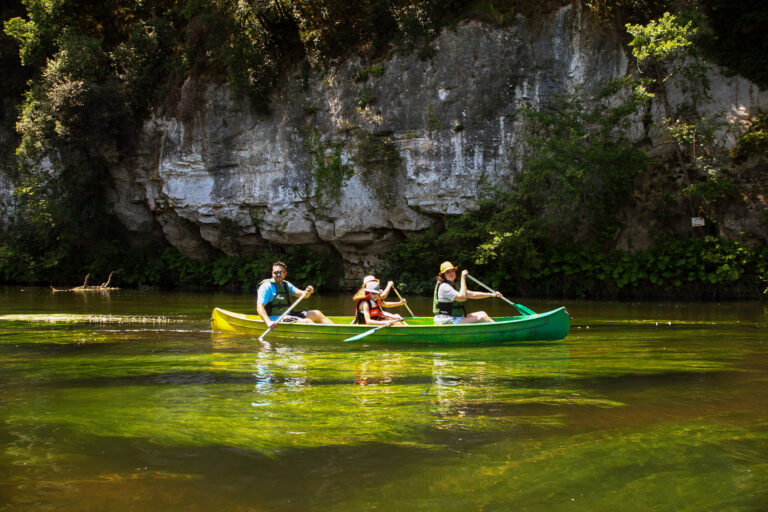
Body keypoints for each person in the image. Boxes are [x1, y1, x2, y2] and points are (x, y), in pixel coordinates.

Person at [256, 261, 334, 329]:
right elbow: (259, 307)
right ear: (272, 273)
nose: (278, 274)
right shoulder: (266, 287)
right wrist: (268, 322)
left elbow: (304, 295)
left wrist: (309, 291)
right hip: (274, 318)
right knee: (307, 321)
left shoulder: (286, 284)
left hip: (288, 315)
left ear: (285, 274)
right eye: (276, 272)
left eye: (281, 272)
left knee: (316, 313)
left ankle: (336, 329)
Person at [433, 261, 501, 325]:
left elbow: (473, 294)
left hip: (454, 317)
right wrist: (463, 277)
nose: (451, 273)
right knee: (482, 317)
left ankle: (497, 328)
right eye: (448, 272)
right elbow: (462, 298)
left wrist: (491, 294)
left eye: (453, 271)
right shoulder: (444, 287)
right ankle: (500, 330)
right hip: (446, 320)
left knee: (482, 313)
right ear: (443, 275)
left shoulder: (454, 286)